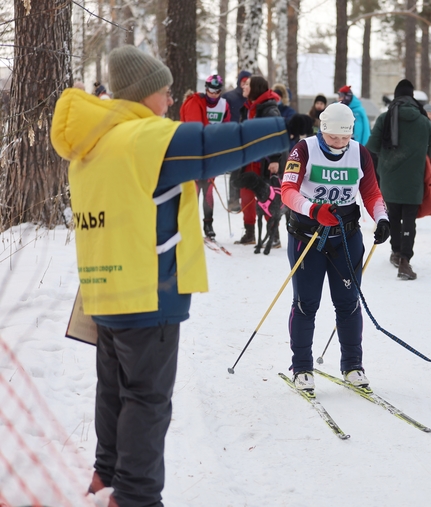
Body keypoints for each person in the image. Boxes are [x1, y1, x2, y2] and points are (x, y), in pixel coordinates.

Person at [50, 45, 288, 507]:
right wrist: (284, 129)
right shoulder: (144, 138)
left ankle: (106, 477)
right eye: (165, 91)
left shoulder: (93, 144)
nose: (170, 99)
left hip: (104, 291)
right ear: (144, 94)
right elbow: (218, 145)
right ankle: (136, 497)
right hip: (149, 291)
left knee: (115, 391)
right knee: (146, 400)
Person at [280, 102, 390, 391]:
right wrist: (313, 209)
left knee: (348, 302)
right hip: (308, 236)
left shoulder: (359, 153)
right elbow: (287, 191)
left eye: (345, 137)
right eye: (333, 137)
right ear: (322, 129)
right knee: (306, 303)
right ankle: (302, 368)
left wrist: (381, 218)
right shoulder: (303, 150)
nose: (339, 143)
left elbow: (371, 193)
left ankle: (353, 365)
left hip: (346, 236)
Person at [366, 79, 431, 280]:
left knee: (393, 217)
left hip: (390, 178)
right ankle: (405, 259)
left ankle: (396, 252)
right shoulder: (424, 120)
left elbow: (372, 146)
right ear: (412, 97)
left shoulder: (385, 117)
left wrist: (388, 154)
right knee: (409, 220)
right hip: (414, 179)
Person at [180, 74, 231, 239]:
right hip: (196, 153)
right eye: (210, 91)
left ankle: (208, 224)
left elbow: (226, 127)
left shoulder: (224, 105)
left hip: (212, 154)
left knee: (208, 190)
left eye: (217, 92)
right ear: (206, 89)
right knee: (194, 190)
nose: (213, 95)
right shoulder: (197, 103)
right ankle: (190, 224)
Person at [237, 75, 284, 245]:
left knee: (266, 197)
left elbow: (277, 134)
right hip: (249, 160)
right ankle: (249, 233)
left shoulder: (269, 109)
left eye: (247, 85)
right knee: (246, 196)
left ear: (255, 88)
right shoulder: (247, 107)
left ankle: (274, 235)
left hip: (265, 162)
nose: (244, 86)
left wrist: (275, 159)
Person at [223, 70, 253, 212]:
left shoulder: (251, 98)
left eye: (247, 82)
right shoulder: (229, 97)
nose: (244, 84)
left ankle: (247, 199)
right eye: (243, 81)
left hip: (248, 137)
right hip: (233, 137)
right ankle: (233, 199)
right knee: (236, 169)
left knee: (247, 169)